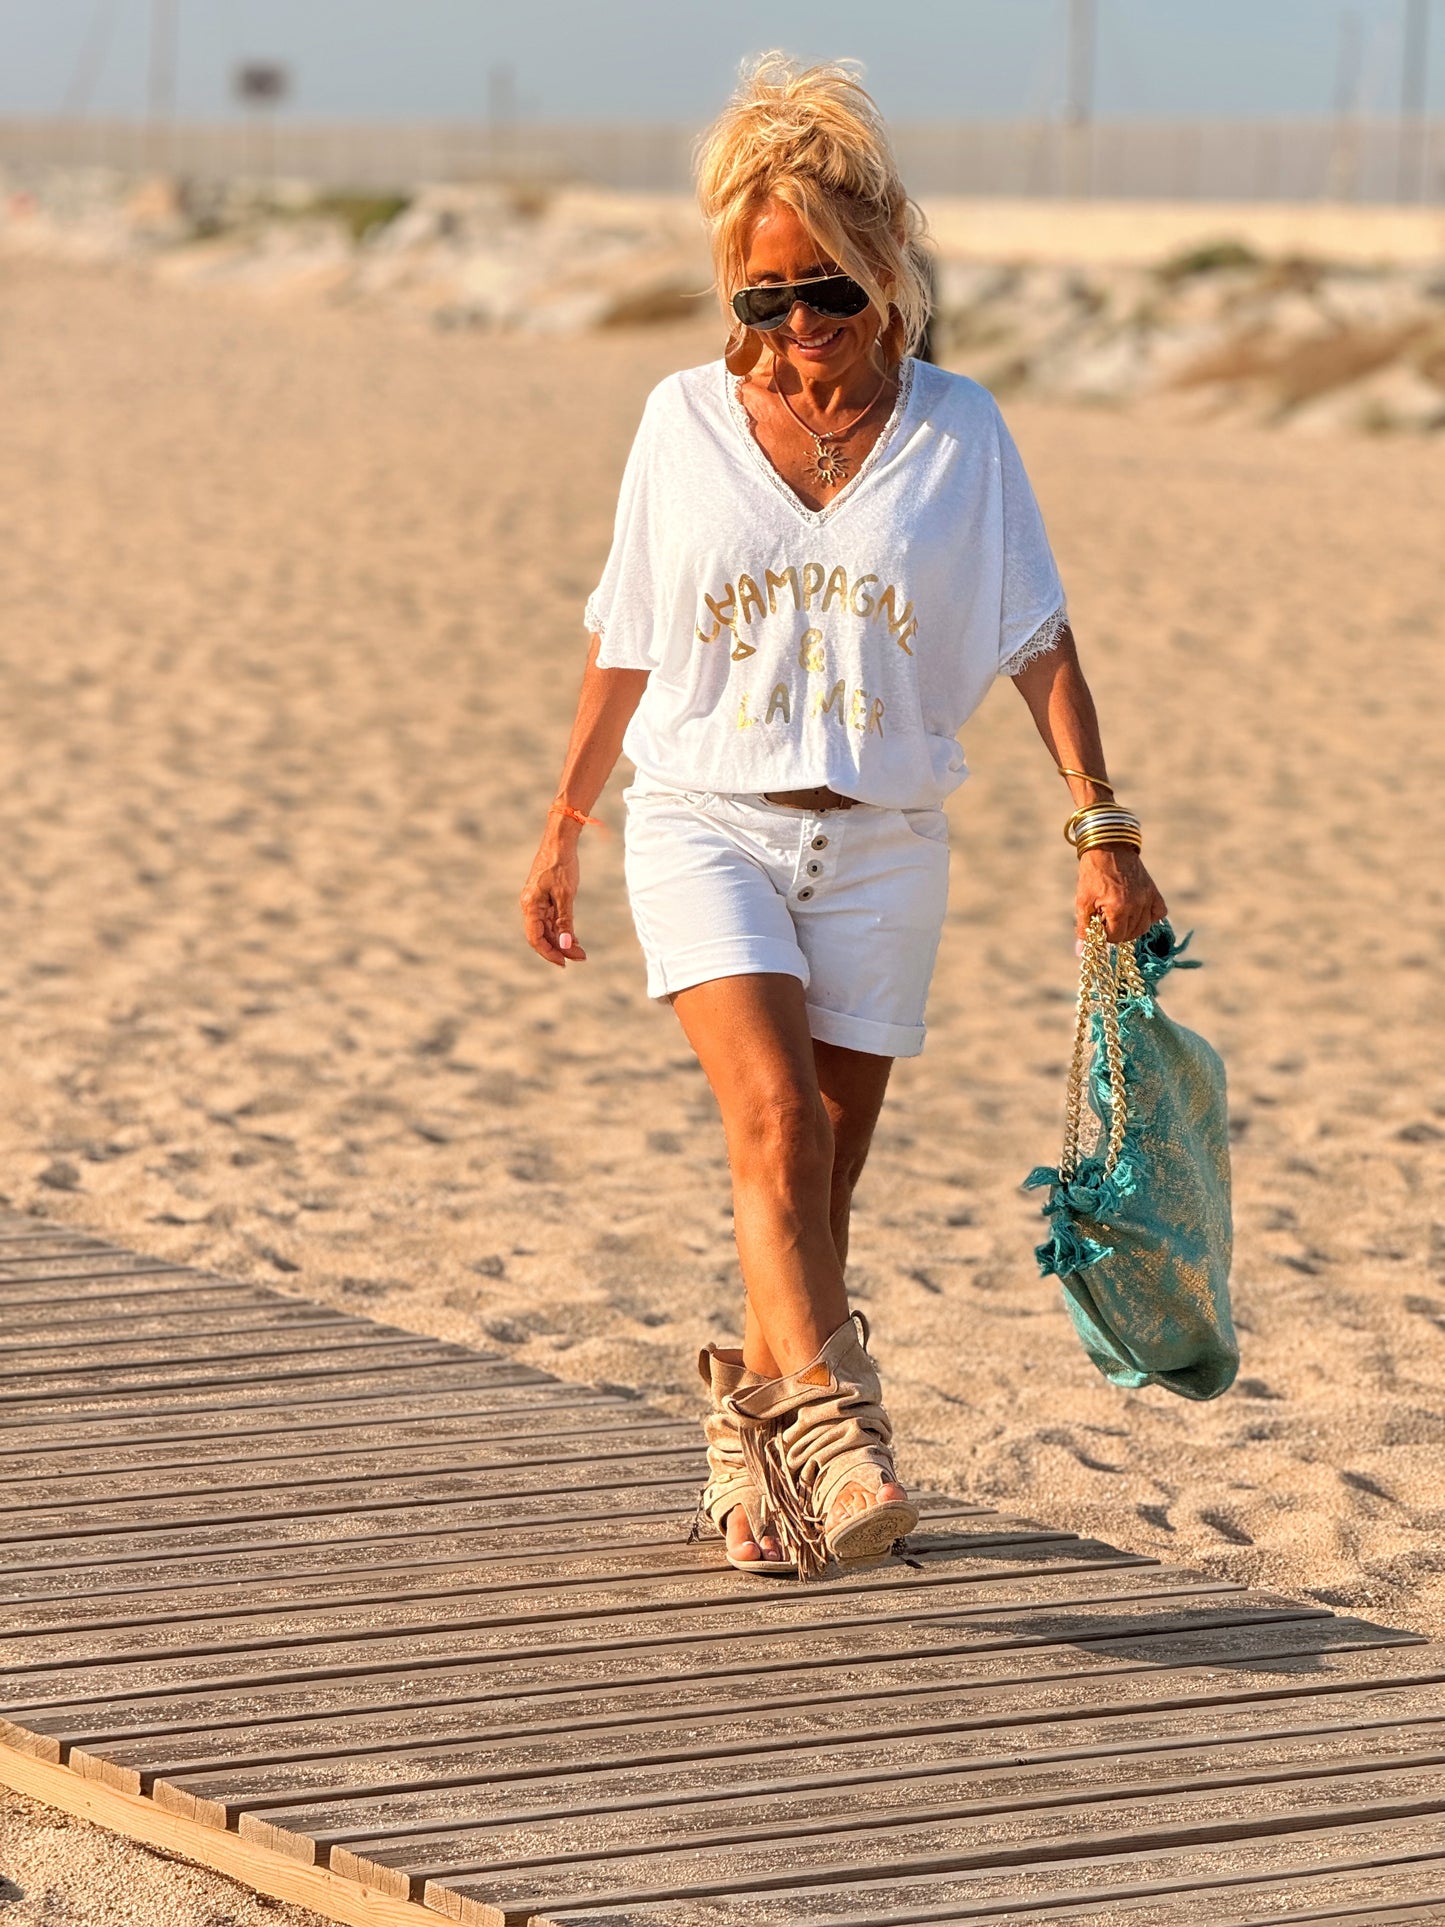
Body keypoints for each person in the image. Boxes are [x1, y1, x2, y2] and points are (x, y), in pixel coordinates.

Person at [520, 55, 1166, 1582]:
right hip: (703, 820)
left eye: (821, 292)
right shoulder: (679, 423)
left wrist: (1101, 831)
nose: (793, 329)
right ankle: (836, 1419)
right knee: (773, 1120)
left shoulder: (960, 432)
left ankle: (745, 1456)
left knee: (819, 1179)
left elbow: (1033, 636)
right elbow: (623, 634)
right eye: (760, 300)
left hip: (883, 842)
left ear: (880, 276)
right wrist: (562, 823)